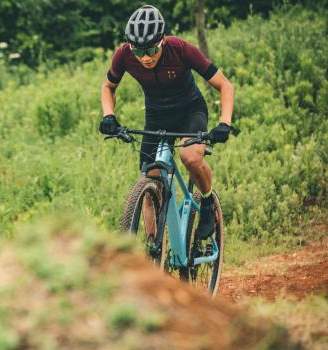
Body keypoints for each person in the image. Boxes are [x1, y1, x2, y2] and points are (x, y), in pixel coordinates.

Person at [99, 5, 234, 239]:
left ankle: (207, 201)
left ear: (162, 40)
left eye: (151, 49)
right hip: (157, 115)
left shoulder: (181, 50)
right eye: (139, 52)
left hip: (189, 111)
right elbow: (108, 87)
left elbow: (225, 85)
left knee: (190, 157)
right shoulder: (124, 55)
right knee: (149, 182)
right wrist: (108, 115)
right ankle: (153, 251)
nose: (146, 57)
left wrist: (225, 122)